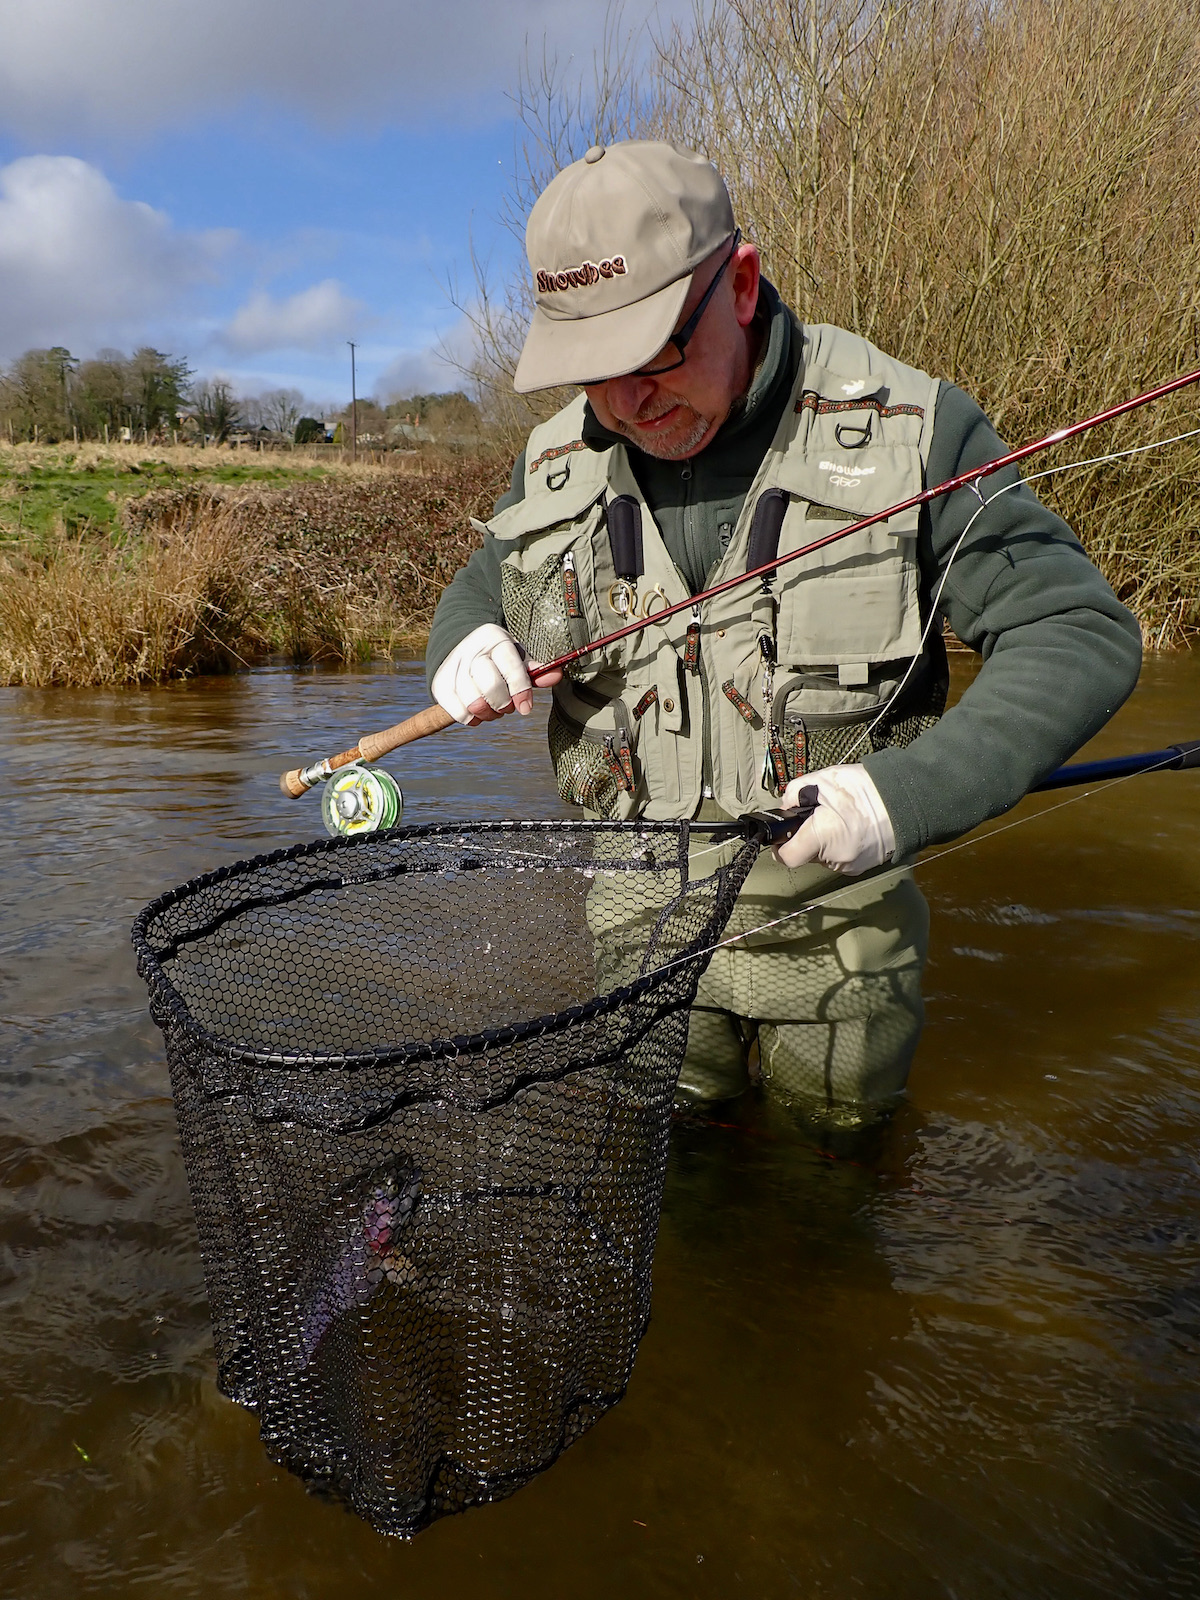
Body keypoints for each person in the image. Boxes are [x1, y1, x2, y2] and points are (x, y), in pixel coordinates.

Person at [425, 140, 1141, 1121]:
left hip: (840, 941)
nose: (628, 402)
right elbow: (486, 582)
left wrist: (902, 795)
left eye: (655, 354)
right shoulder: (553, 461)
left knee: (834, 1192)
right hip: (639, 936)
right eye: (591, 372)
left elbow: (1076, 632)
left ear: (744, 284)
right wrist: (464, 639)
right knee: (685, 1197)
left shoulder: (917, 430)